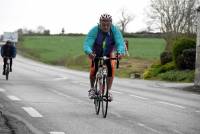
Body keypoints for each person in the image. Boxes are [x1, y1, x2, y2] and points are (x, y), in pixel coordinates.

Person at [83, 13, 125, 101]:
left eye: (108, 25)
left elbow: (120, 43)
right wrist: (90, 52)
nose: (105, 27)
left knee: (111, 68)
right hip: (96, 52)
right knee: (94, 68)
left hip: (108, 52)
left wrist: (120, 53)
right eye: (103, 25)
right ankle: (92, 89)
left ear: (111, 24)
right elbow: (87, 44)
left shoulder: (115, 31)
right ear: (100, 23)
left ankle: (108, 91)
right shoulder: (94, 30)